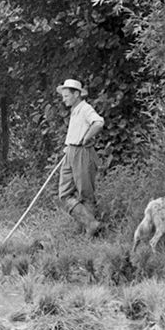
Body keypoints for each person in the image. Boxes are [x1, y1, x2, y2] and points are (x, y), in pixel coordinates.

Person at [56, 77, 105, 236]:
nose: (64, 99)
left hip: (82, 152)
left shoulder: (85, 108)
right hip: (70, 152)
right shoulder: (74, 111)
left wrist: (86, 138)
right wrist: (68, 149)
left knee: (86, 193)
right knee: (64, 194)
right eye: (63, 96)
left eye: (66, 95)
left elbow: (98, 123)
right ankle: (91, 224)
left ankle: (91, 231)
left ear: (76, 94)